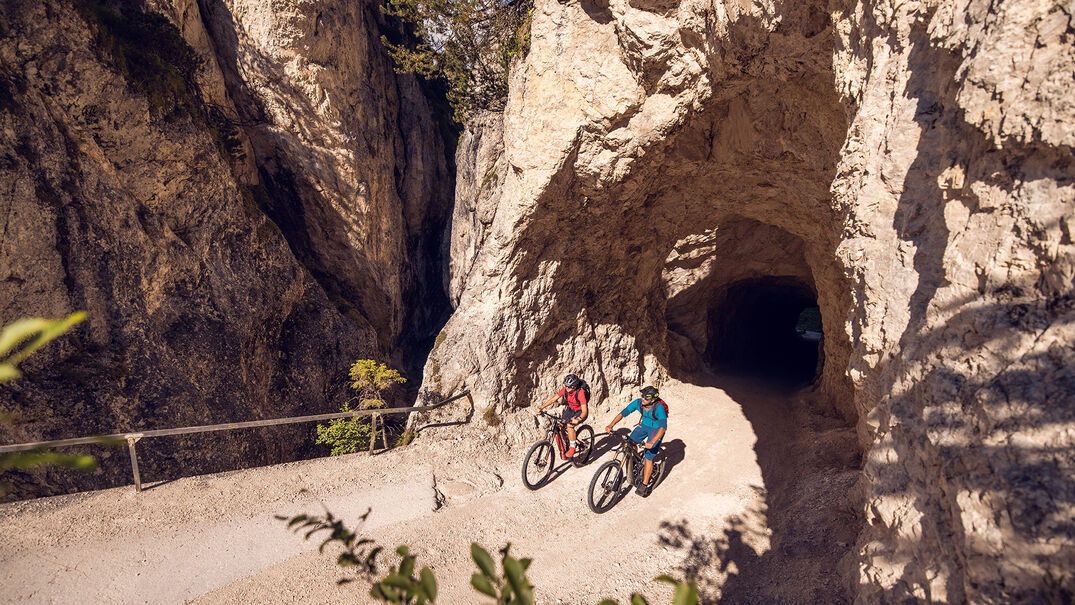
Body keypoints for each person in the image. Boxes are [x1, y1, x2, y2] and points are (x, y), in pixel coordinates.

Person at [605, 385, 666, 494]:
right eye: (642, 396)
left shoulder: (659, 408)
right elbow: (623, 413)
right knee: (630, 442)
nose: (643, 399)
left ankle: (644, 484)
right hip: (644, 425)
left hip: (656, 429)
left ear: (652, 400)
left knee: (648, 456)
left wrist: (652, 442)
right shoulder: (639, 403)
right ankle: (635, 461)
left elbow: (663, 427)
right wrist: (611, 425)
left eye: (646, 398)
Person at [534, 374, 589, 457]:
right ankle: (567, 441)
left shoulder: (580, 393)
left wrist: (578, 419)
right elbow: (553, 399)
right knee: (561, 425)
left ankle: (572, 447)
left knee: (570, 425)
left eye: (569, 387)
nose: (566, 388)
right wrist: (541, 407)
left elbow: (584, 411)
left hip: (579, 411)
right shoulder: (565, 390)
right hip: (570, 409)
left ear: (574, 387)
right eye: (566, 386)